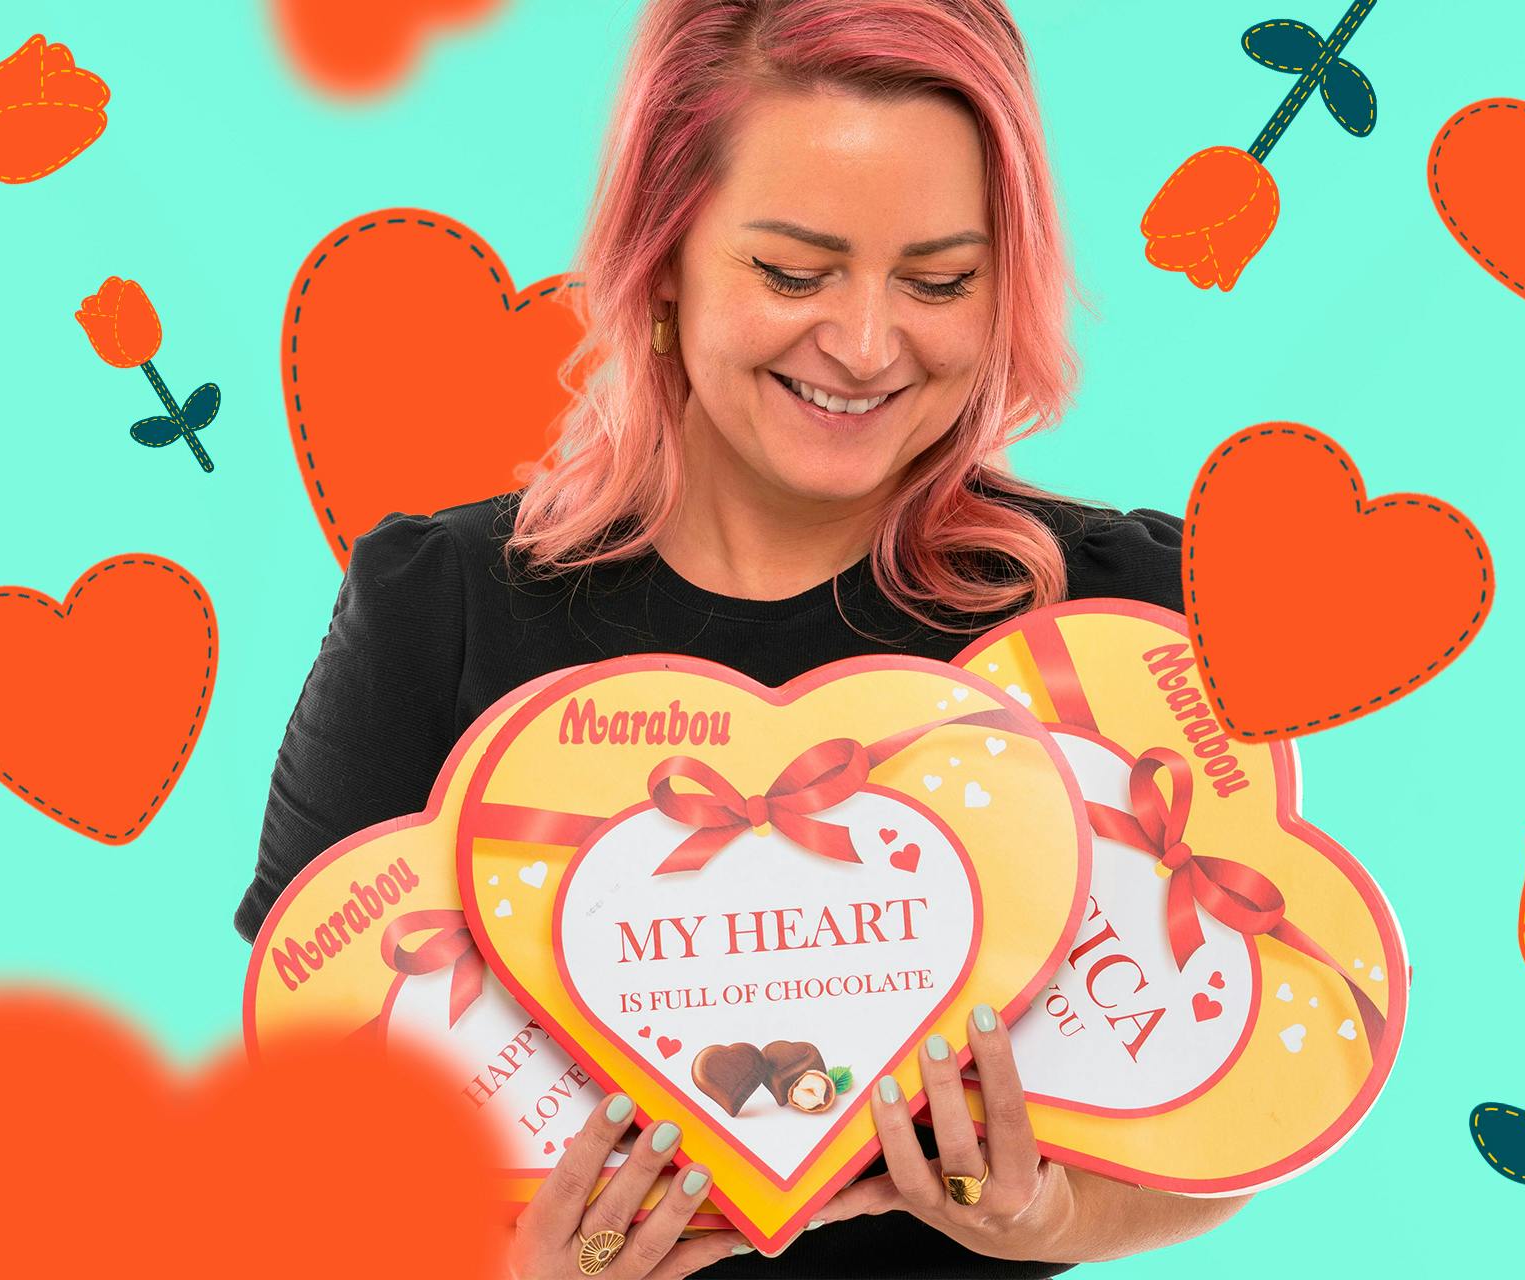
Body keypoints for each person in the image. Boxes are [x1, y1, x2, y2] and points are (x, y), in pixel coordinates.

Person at [236, 1, 1251, 1275]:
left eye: (940, 278)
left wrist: (1055, 1217)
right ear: (661, 255)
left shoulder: (1108, 627)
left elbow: (1233, 1109)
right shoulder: (439, 610)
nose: (868, 345)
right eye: (793, 271)